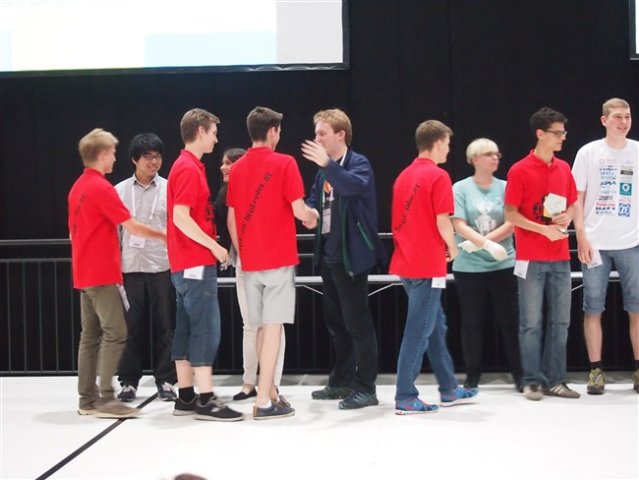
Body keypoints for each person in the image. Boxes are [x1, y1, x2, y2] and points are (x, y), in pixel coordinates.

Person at [227, 106, 318, 420]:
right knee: (273, 328)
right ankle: (264, 399)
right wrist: (313, 216)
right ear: (273, 131)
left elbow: (233, 216)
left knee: (259, 328)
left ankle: (269, 393)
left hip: (249, 259)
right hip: (277, 257)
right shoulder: (285, 163)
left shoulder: (237, 169)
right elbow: (299, 210)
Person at [69, 128, 166, 418]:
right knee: (116, 332)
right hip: (102, 272)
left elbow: (72, 233)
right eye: (112, 152)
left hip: (84, 272)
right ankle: (107, 399)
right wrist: (166, 236)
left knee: (90, 337)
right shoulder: (101, 188)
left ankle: (87, 399)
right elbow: (131, 226)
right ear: (102, 154)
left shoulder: (77, 187)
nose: (114, 158)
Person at [390, 119, 478, 415]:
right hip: (427, 264)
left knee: (435, 327)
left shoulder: (404, 176)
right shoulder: (438, 176)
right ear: (438, 142)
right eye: (448, 144)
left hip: (406, 261)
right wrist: (453, 246)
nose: (449, 150)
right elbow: (443, 219)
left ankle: (449, 388)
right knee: (419, 331)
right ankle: (405, 396)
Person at [301, 108, 387, 410]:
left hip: (351, 257)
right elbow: (315, 201)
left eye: (321, 133)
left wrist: (326, 164)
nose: (316, 139)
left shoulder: (358, 163)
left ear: (341, 134)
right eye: (315, 133)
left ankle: (366, 387)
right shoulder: (324, 170)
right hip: (329, 256)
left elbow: (352, 186)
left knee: (357, 324)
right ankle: (341, 381)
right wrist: (308, 212)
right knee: (337, 324)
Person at [167, 108, 243, 421]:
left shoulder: (186, 166)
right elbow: (180, 216)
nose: (216, 138)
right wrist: (214, 246)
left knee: (186, 327)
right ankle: (206, 399)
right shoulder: (187, 168)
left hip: (184, 264)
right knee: (205, 328)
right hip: (195, 263)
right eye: (213, 132)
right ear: (200, 131)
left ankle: (186, 396)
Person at [504, 107, 580, 401]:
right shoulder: (519, 170)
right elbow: (511, 214)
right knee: (531, 323)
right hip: (531, 257)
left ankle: (556, 379)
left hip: (560, 255)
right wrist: (542, 229)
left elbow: (572, 203)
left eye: (563, 132)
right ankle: (532, 380)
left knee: (561, 321)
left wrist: (567, 217)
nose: (562, 137)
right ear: (540, 134)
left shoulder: (563, 168)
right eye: (557, 133)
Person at [572, 98, 639, 394]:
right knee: (593, 308)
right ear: (604, 120)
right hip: (595, 243)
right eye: (617, 117)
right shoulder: (588, 152)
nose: (623, 122)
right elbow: (577, 198)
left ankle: (638, 369)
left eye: (627, 116)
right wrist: (581, 235)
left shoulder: (637, 151)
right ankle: (596, 370)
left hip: (631, 242)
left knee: (636, 308)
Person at [213, 148, 287, 401]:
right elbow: (229, 225)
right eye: (223, 163)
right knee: (250, 325)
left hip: (267, 262)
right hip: (243, 263)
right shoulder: (225, 193)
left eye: (229, 163)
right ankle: (249, 382)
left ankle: (273, 383)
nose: (223, 167)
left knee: (273, 324)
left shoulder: (258, 189)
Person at [452, 138, 522, 391]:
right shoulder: (460, 188)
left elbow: (512, 221)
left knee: (510, 321)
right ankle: (472, 374)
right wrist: (482, 244)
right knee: (472, 322)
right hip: (469, 266)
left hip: (503, 263)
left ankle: (520, 374)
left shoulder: (505, 187)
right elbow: (458, 224)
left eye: (497, 154)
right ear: (475, 159)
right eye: (489, 154)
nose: (495, 158)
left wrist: (486, 243)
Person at [115, 133, 177, 403]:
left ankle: (166, 380)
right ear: (134, 159)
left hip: (163, 266)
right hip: (130, 268)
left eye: (158, 156)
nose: (154, 161)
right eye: (148, 157)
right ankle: (128, 382)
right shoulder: (119, 190)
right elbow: (114, 233)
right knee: (130, 328)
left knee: (167, 326)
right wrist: (114, 268)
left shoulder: (169, 188)